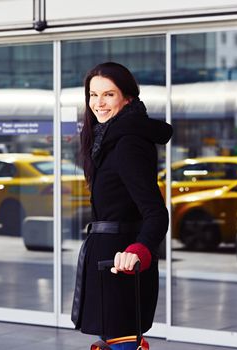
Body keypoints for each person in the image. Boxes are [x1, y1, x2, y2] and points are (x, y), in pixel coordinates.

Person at [71, 62, 173, 349]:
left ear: (127, 98)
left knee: (122, 341)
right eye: (93, 95)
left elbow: (155, 212)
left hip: (121, 263)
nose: (98, 103)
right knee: (113, 341)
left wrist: (137, 251)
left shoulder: (127, 143)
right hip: (107, 260)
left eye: (108, 95)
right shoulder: (107, 139)